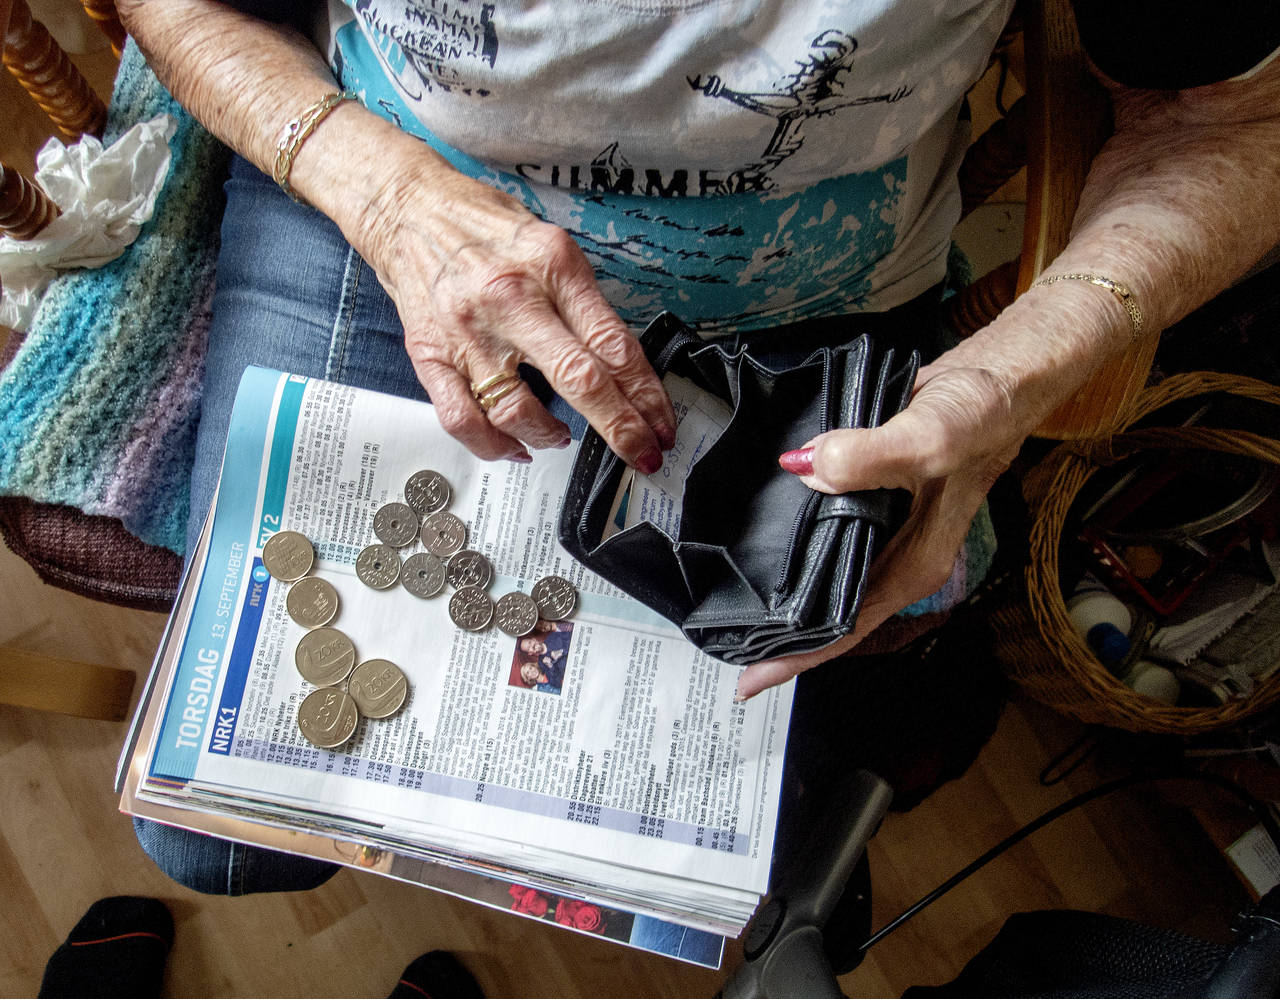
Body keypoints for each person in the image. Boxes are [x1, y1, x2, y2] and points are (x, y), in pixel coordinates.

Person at [115, 0, 1280, 893]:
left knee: (727, 814)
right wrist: (387, 199)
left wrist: (1008, 379)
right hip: (402, 197)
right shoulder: (396, 199)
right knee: (226, 838)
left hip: (814, 294)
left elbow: (1231, 119)